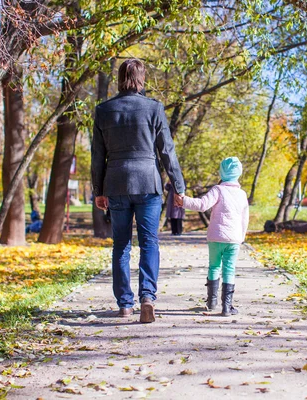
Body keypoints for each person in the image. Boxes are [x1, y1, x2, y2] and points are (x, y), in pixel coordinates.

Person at [91, 58, 185, 323]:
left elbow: (97, 155)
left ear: (120, 78)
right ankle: (147, 297)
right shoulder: (153, 108)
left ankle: (124, 304)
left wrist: (98, 190)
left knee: (121, 244)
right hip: (148, 183)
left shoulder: (104, 110)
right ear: (142, 78)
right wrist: (178, 186)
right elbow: (167, 150)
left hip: (116, 182)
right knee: (149, 242)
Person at [176, 157, 249, 317]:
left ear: (222, 172)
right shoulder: (242, 194)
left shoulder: (218, 190)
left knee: (214, 266)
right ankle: (227, 307)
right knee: (229, 269)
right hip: (233, 239)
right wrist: (241, 237)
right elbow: (245, 219)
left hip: (216, 236)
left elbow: (202, 205)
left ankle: (211, 302)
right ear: (239, 173)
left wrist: (184, 201)